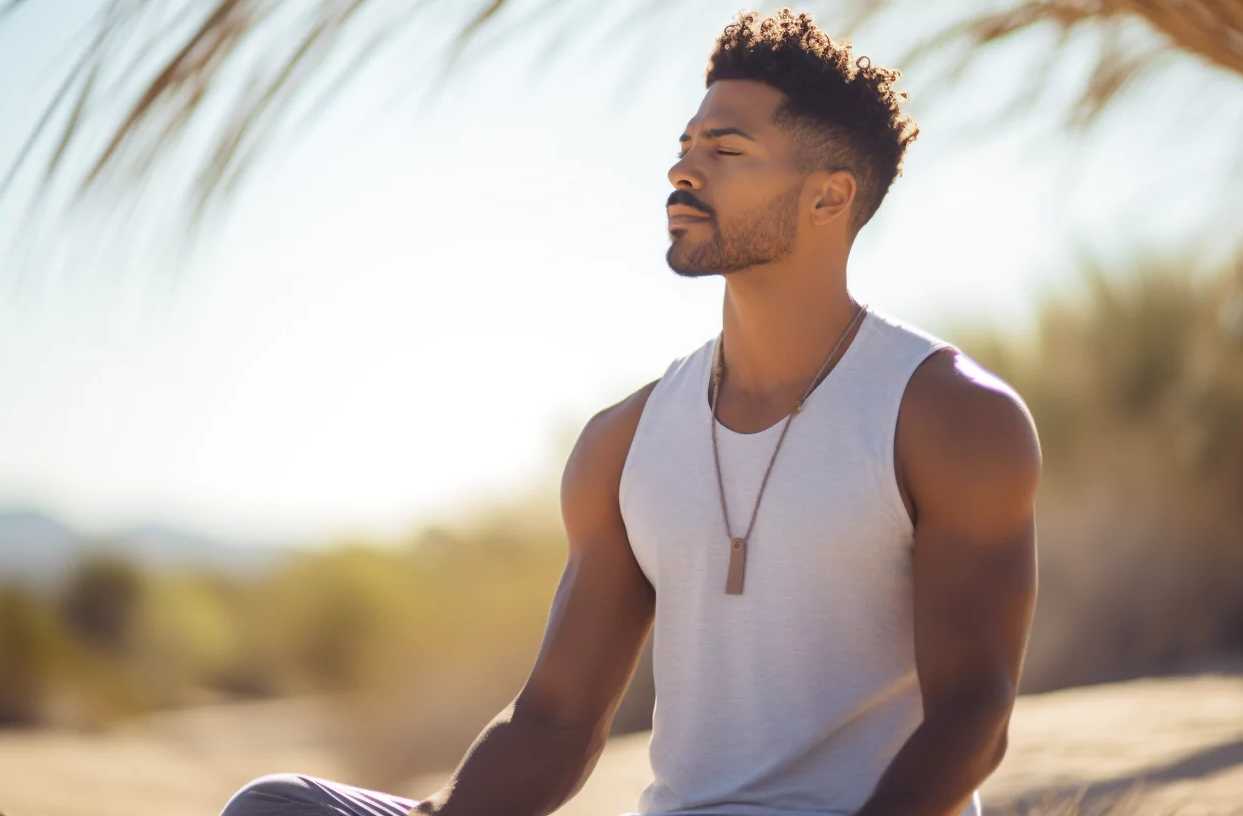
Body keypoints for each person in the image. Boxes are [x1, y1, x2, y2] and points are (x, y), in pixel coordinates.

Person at [221, 8, 1038, 816]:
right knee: (277, 807)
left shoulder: (950, 418)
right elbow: (555, 721)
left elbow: (973, 714)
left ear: (828, 198)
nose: (684, 172)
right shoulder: (626, 441)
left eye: (726, 150)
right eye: (685, 148)